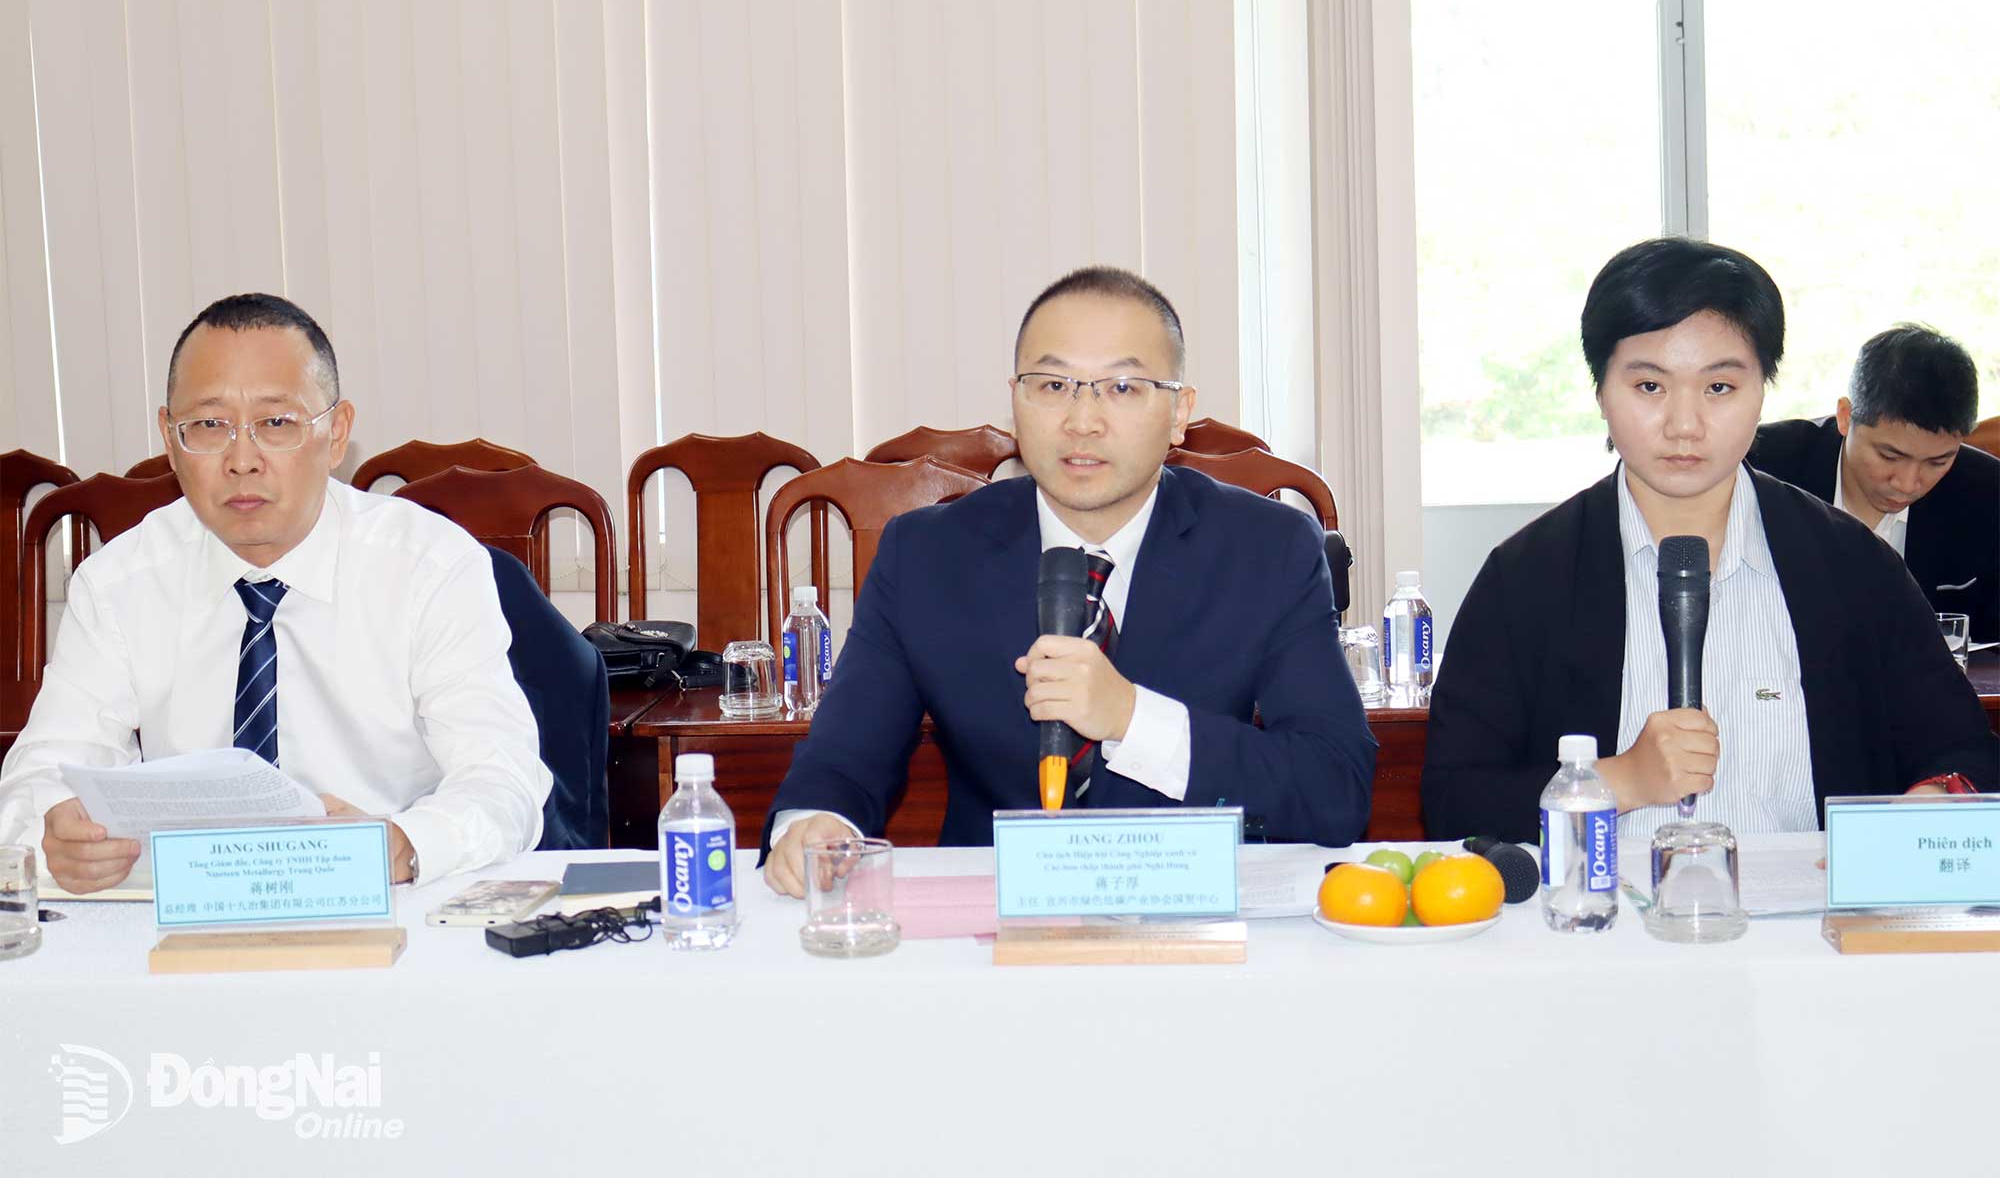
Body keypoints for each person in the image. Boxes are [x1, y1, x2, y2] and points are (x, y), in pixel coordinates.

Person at [762, 267, 1374, 894]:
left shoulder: (1267, 550)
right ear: (1015, 400)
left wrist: (1133, 717)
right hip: (993, 919)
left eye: (1123, 387)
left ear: (1178, 412)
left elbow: (1333, 788)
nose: (1083, 421)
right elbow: (845, 754)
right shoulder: (927, 553)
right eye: (1053, 385)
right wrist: (815, 823)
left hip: (1191, 915)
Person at [1422, 239, 1997, 846]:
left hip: (1808, 926)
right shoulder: (1527, 576)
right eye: (1649, 387)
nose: (1684, 425)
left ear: (1763, 391)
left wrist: (1931, 800)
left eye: (1719, 388)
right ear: (1600, 393)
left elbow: (1963, 750)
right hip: (1598, 926)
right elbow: (1454, 798)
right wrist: (1618, 781)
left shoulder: (1851, 564)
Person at [0, 293, 551, 891]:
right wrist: (54, 833)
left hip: (388, 903)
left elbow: (504, 778)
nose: (242, 460)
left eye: (277, 423)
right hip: (192, 908)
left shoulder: (430, 568)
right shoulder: (117, 583)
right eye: (209, 426)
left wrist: (406, 844)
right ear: (168, 436)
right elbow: (44, 773)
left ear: (337, 434)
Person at [1746, 324, 1998, 642]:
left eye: (1938, 462)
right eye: (1889, 456)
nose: (1908, 484)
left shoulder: (1988, 493)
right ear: (1845, 416)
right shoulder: (1761, 469)